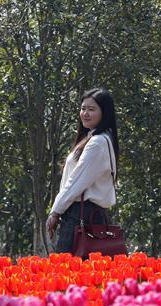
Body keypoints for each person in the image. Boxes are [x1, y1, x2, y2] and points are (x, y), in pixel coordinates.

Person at [46, 88, 119, 254]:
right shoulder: (96, 139)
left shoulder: (97, 143)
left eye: (91, 109)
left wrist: (55, 211)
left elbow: (75, 182)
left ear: (104, 113)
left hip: (80, 216)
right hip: (88, 215)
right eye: (83, 108)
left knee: (68, 271)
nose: (85, 113)